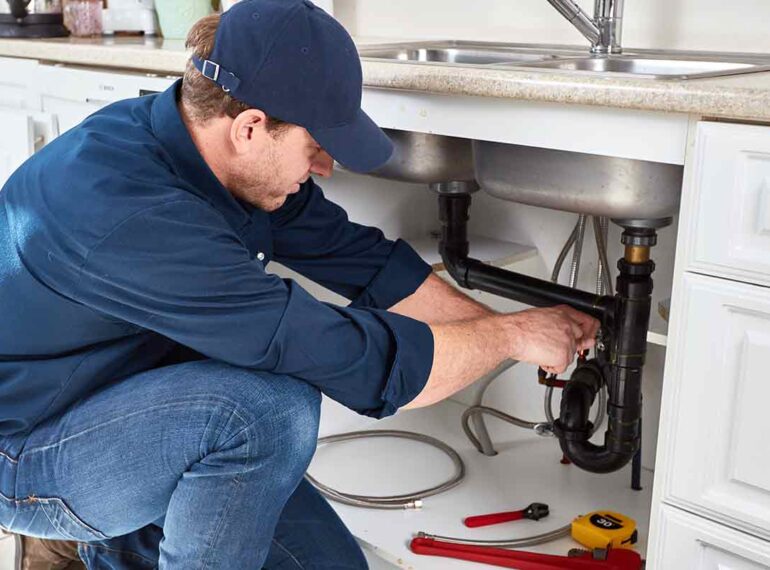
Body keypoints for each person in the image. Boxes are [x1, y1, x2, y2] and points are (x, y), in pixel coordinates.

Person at [0, 0, 599, 568]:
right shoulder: (135, 215)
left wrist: (502, 327)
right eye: (314, 146)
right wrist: (512, 338)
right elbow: (351, 361)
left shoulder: (205, 150)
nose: (324, 167)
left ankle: (125, 544)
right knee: (265, 412)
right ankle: (94, 539)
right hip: (29, 446)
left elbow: (364, 262)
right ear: (250, 128)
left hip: (136, 396)